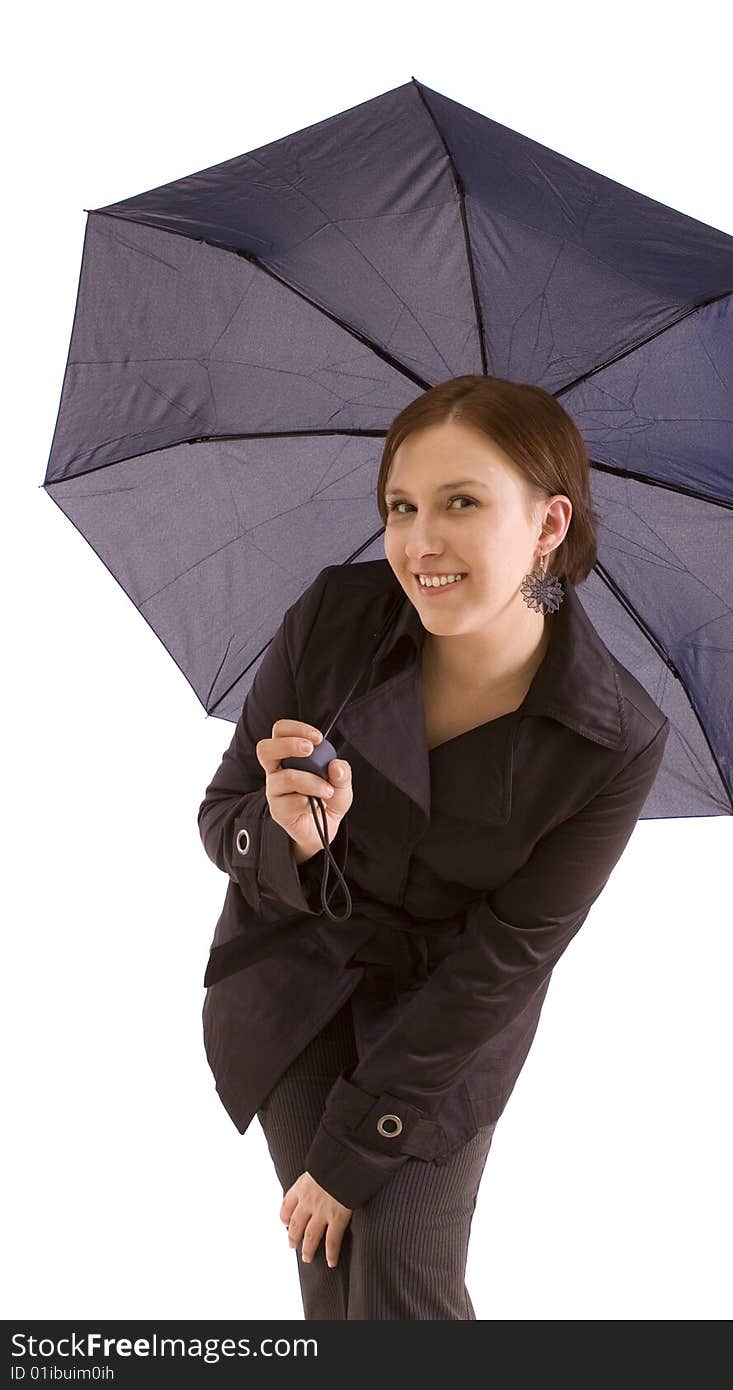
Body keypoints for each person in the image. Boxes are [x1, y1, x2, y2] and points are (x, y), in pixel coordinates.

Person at [197, 375, 670, 1319]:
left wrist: (350, 1152)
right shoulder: (336, 616)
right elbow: (222, 817)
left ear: (548, 525)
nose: (421, 543)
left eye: (462, 503)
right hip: (294, 978)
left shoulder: (616, 736)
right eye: (400, 507)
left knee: (402, 1269)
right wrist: (284, 834)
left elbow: (502, 963)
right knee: (336, 1276)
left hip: (451, 1018)